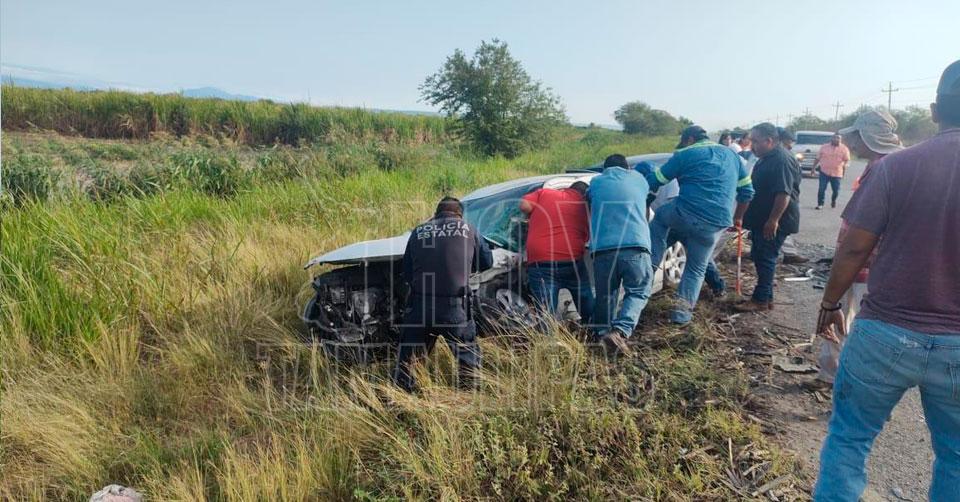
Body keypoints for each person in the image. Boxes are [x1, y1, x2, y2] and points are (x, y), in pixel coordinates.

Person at [813, 60, 960, 502]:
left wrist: (829, 304)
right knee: (955, 455)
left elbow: (854, 247)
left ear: (934, 111)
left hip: (884, 335)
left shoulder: (896, 167)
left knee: (849, 439)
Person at [805, 110, 903, 392]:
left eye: (855, 137)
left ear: (867, 136)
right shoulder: (878, 165)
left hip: (869, 265)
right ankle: (830, 376)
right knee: (837, 319)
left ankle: (854, 386)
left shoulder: (891, 167)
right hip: (854, 263)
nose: (852, 144)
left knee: (860, 329)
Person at [645, 126, 754, 324]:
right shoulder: (733, 156)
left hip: (684, 214)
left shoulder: (685, 153)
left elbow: (656, 180)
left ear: (690, 139)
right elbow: (747, 192)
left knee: (659, 218)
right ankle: (681, 316)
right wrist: (738, 218)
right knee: (696, 269)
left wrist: (644, 196)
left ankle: (651, 263)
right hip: (716, 223)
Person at [393, 197, 493, 392]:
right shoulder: (468, 229)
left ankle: (401, 403)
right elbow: (487, 262)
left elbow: (406, 271)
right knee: (467, 357)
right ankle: (467, 400)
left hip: (420, 305)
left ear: (436, 214)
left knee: (409, 361)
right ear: (459, 214)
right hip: (455, 307)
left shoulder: (419, 231)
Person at [586, 154, 654, 354]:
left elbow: (588, 199)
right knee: (639, 290)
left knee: (606, 295)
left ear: (605, 169)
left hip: (603, 250)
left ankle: (601, 335)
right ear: (626, 168)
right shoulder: (639, 179)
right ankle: (620, 332)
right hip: (635, 245)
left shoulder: (596, 182)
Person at [733, 122, 801, 312]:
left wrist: (773, 220)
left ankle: (761, 300)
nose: (751, 145)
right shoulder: (766, 157)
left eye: (755, 141)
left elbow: (783, 193)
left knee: (766, 258)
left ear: (769, 141)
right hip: (762, 219)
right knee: (760, 256)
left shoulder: (781, 159)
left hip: (775, 221)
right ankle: (766, 297)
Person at [520, 181, 593, 324]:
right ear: (585, 194)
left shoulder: (544, 193)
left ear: (567, 188)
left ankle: (548, 341)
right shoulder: (584, 205)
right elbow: (586, 238)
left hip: (541, 259)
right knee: (585, 299)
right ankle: (594, 331)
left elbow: (524, 205)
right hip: (571, 259)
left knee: (546, 310)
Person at [777, 127, 809, 265]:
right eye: (789, 141)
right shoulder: (781, 156)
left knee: (781, 227)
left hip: (786, 198)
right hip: (782, 198)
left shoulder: (785, 156)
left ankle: (790, 254)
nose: (791, 145)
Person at [813, 133, 851, 209]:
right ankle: (820, 204)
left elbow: (847, 160)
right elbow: (817, 158)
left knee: (836, 191)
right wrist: (813, 168)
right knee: (821, 189)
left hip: (837, 173)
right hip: (824, 172)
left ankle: (833, 200)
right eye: (835, 138)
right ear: (832, 138)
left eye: (838, 138)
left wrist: (844, 166)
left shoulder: (844, 149)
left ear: (841, 140)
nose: (836, 139)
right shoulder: (824, 147)